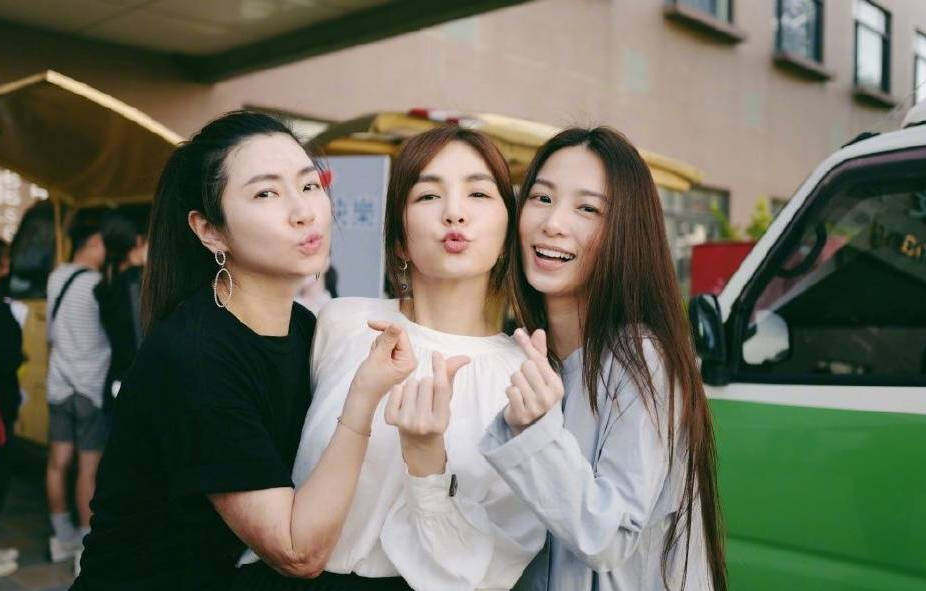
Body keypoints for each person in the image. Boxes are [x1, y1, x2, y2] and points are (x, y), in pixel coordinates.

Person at [71, 111, 416, 591]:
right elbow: (296, 551)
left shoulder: (304, 329)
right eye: (266, 193)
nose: (303, 211)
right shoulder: (195, 355)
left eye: (309, 185)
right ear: (209, 230)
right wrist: (363, 398)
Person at [238, 126, 546, 590]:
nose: (454, 212)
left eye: (479, 194)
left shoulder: (525, 375)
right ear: (399, 237)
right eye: (428, 196)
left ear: (508, 232)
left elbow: (497, 565)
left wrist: (427, 467)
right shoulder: (343, 322)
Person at [479, 127, 728, 591]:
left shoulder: (641, 358)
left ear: (625, 233)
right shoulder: (529, 358)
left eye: (587, 209)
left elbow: (609, 537)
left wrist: (536, 433)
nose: (554, 223)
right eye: (542, 198)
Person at [45, 220, 109, 563]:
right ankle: (86, 547)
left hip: (58, 384)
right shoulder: (98, 285)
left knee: (58, 462)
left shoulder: (56, 277)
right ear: (94, 241)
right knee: (88, 469)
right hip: (89, 387)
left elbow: (52, 333)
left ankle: (61, 537)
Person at [94, 211, 148, 412]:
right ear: (139, 241)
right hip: (138, 381)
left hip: (116, 378)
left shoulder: (105, 285)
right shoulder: (137, 282)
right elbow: (139, 340)